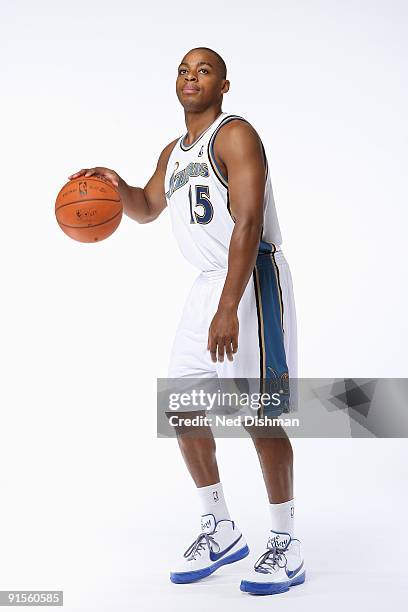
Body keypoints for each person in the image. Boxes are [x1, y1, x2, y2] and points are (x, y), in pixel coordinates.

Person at [69, 46, 305, 596]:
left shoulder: (235, 134)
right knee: (182, 406)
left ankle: (285, 541)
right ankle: (219, 527)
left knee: (260, 415)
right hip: (207, 283)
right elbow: (148, 207)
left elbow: (247, 222)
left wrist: (230, 306)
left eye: (203, 69)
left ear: (224, 84)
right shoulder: (173, 153)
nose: (191, 76)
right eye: (183, 70)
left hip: (250, 278)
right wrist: (113, 188)